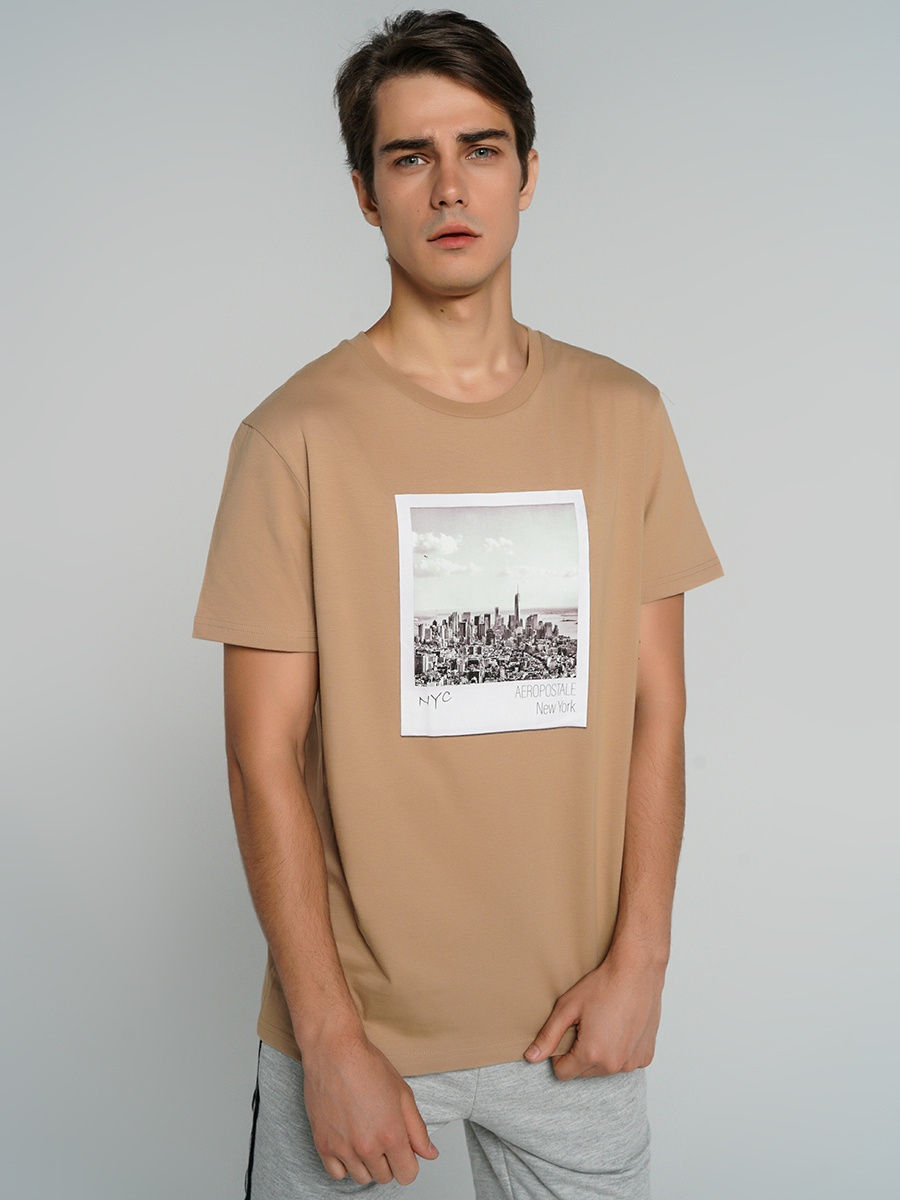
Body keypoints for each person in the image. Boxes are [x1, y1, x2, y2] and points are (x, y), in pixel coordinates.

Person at [192, 9, 724, 1198]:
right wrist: (329, 1039)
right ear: (364, 192)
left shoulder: (624, 416)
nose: (449, 187)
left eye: (480, 149)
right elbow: (259, 756)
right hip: (361, 1044)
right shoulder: (293, 438)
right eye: (409, 156)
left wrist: (642, 962)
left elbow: (658, 710)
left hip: (576, 1029)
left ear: (527, 173)